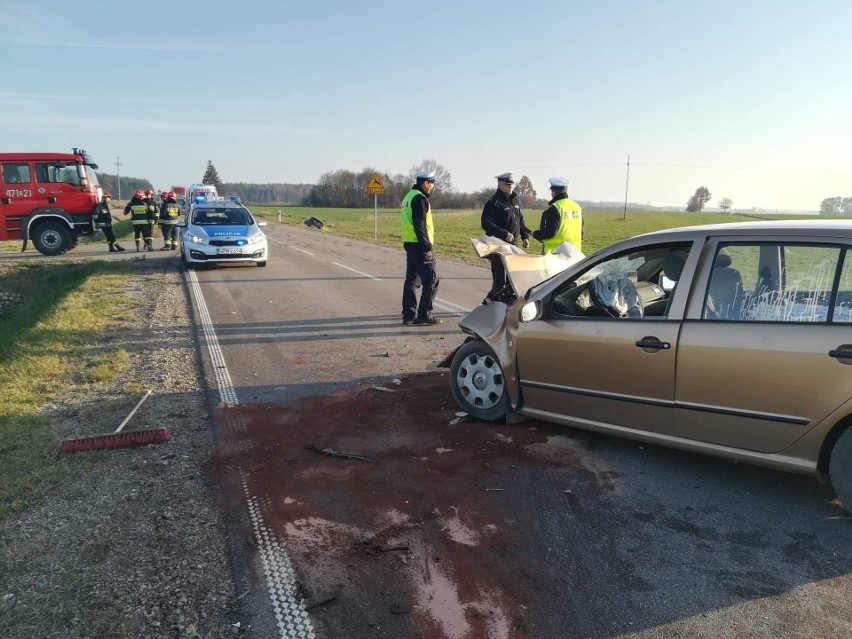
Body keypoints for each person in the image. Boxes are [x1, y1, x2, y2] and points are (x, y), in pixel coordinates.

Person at [480, 172, 531, 302]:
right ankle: (488, 303)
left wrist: (525, 236)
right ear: (500, 184)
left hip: (513, 247)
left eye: (512, 185)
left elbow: (520, 220)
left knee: (512, 281)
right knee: (500, 281)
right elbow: (486, 223)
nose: (510, 187)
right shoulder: (493, 202)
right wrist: (504, 233)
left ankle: (504, 306)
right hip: (498, 247)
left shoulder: (515, 200)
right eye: (508, 185)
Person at [401, 169, 441, 326]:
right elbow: (420, 226)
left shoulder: (408, 197)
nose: (432, 187)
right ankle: (424, 314)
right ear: (425, 183)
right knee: (431, 281)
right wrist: (427, 249)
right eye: (431, 183)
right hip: (420, 246)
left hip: (410, 244)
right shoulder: (419, 199)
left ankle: (408, 315)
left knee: (411, 281)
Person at [533, 177, 583, 254]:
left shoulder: (555, 208)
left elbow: (550, 232)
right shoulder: (577, 207)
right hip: (575, 254)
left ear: (554, 192)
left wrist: (536, 234)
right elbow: (581, 232)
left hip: (555, 255)